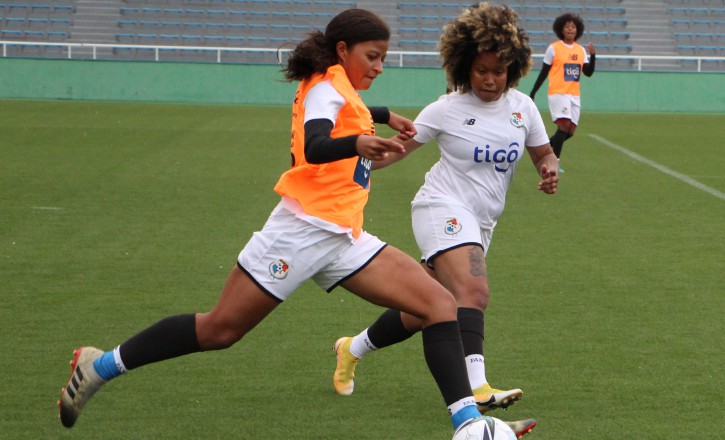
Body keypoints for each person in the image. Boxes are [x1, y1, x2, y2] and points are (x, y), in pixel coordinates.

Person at [57, 8, 489, 435]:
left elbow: (347, 107)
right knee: (219, 330)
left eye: (382, 57)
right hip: (300, 231)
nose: (379, 66)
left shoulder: (339, 85)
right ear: (343, 49)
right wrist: (359, 141)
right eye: (372, 56)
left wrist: (383, 113)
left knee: (438, 305)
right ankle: (102, 365)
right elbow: (316, 145)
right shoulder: (327, 86)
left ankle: (468, 424)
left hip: (342, 236)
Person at [331, 3, 558, 437]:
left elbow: (543, 152)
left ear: (513, 67)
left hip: (482, 222)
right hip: (441, 207)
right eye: (481, 70)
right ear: (463, 68)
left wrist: (548, 168)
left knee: (426, 308)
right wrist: (351, 156)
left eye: (499, 70)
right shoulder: (446, 109)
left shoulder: (524, 108)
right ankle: (478, 389)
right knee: (474, 289)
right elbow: (395, 151)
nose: (490, 80)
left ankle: (351, 348)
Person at [528, 12, 596, 165]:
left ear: (577, 30)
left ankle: (543, 150)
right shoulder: (553, 48)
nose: (570, 29)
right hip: (558, 93)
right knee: (563, 126)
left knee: (570, 130)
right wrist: (533, 92)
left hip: (574, 95)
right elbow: (544, 72)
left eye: (573, 27)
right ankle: (554, 161)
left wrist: (593, 56)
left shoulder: (580, 50)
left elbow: (588, 72)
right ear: (561, 29)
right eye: (567, 27)